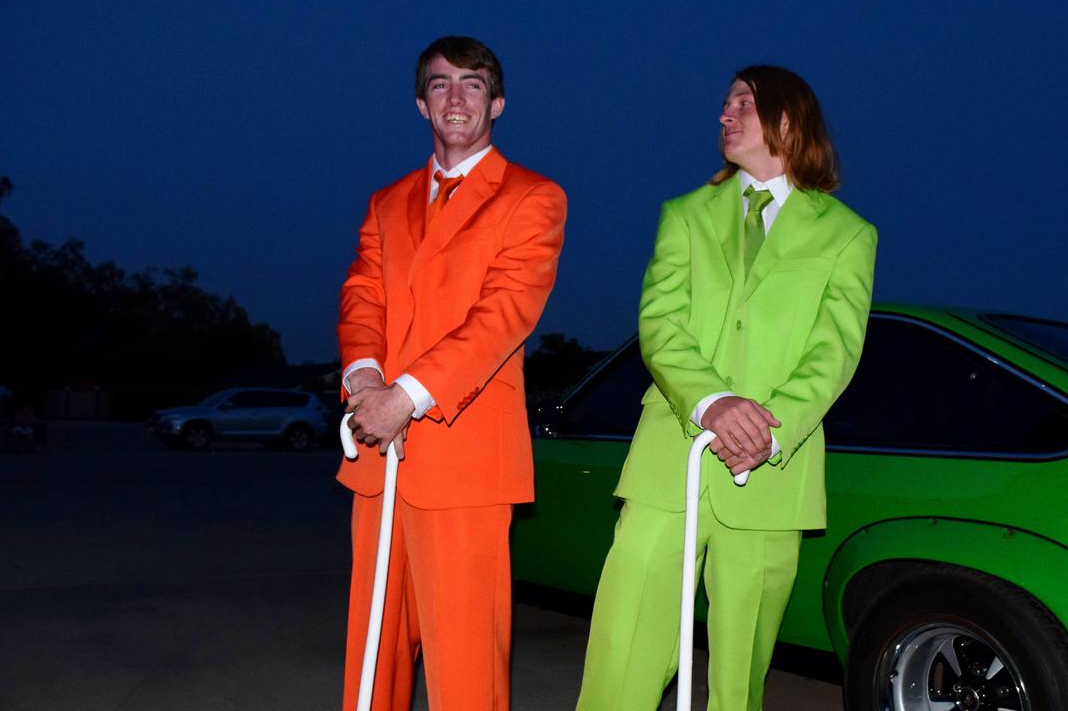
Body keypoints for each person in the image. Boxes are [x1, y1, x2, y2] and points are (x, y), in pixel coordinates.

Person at [576, 65, 876, 710]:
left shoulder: (849, 234)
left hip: (772, 470)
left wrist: (768, 430)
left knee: (740, 675)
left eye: (742, 101)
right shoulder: (684, 215)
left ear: (787, 120)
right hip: (669, 460)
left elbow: (836, 350)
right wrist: (713, 404)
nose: (725, 114)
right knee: (625, 639)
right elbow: (659, 324)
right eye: (724, 103)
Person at [337, 36, 566, 711]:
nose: (456, 97)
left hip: (465, 458)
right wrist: (365, 383)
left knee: (465, 662)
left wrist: (406, 397)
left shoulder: (532, 197)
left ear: (497, 102)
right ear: (421, 103)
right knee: (372, 646)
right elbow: (362, 298)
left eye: (472, 84)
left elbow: (503, 316)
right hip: (378, 453)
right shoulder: (387, 201)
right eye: (440, 85)